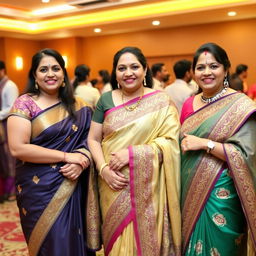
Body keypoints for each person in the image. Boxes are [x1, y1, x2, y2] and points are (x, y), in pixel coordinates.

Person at [88, 46, 181, 256]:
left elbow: (170, 142)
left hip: (150, 187)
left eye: (134, 67)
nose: (128, 73)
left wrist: (133, 153)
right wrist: (103, 169)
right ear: (115, 72)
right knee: (116, 241)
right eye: (122, 68)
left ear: (145, 69)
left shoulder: (161, 100)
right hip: (112, 183)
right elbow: (93, 139)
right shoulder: (106, 99)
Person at [7, 49, 100, 256]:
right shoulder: (25, 104)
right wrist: (67, 157)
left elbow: (93, 140)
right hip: (38, 189)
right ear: (34, 76)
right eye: (44, 69)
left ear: (64, 74)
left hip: (75, 183)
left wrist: (82, 160)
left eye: (56, 68)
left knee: (75, 239)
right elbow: (18, 147)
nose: (51, 74)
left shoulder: (80, 106)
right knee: (52, 243)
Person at [180, 42, 256, 256]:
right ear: (193, 72)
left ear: (225, 69)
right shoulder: (188, 104)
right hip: (187, 188)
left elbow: (246, 155)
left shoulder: (241, 106)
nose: (206, 72)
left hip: (223, 194)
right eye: (200, 67)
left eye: (213, 66)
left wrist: (206, 144)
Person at [0, 60, 19, 203]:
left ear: (2, 71)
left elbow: (12, 107)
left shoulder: (10, 86)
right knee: (3, 160)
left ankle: (12, 190)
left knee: (10, 157)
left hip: (8, 124)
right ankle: (4, 190)